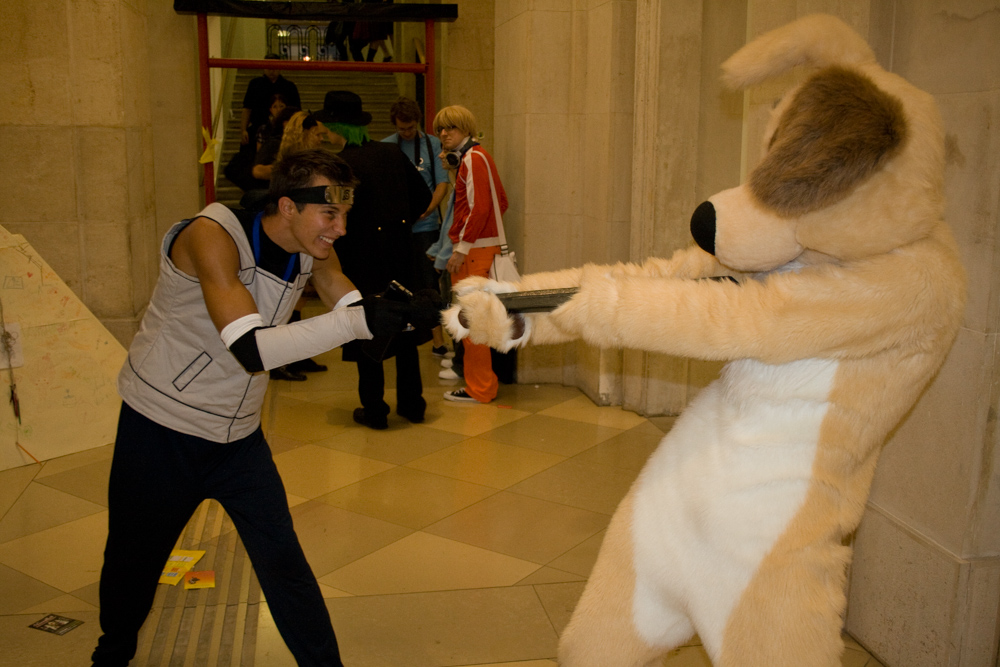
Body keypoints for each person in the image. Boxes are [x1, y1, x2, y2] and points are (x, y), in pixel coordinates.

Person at [91, 149, 438, 667]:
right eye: (330, 214)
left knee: (284, 563)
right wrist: (356, 324)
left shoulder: (313, 247)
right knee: (132, 563)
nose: (340, 229)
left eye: (345, 214)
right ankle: (110, 657)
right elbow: (251, 349)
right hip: (162, 425)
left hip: (237, 438)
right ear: (288, 206)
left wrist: (401, 314)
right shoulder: (212, 236)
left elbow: (340, 294)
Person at [315, 90, 434, 429]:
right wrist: (398, 226)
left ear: (339, 127)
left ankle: (375, 409)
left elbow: (334, 215)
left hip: (360, 260)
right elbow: (423, 196)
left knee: (368, 331)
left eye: (326, 125)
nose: (323, 132)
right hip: (400, 255)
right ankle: (413, 405)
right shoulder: (392, 153)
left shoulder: (341, 167)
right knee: (406, 329)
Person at [433, 105, 508, 404]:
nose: (443, 133)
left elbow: (480, 208)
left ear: (465, 128)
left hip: (473, 251)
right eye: (441, 128)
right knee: (476, 319)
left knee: (472, 321)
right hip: (480, 248)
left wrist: (462, 248)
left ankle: (480, 388)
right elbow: (499, 202)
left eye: (450, 127)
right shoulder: (477, 157)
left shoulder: (473, 159)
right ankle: (481, 385)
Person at [382, 97, 450, 357]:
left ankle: (437, 341)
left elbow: (442, 183)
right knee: (398, 284)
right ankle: (397, 336)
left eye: (411, 128)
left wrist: (428, 208)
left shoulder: (433, 145)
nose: (407, 133)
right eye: (402, 129)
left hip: (427, 228)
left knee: (429, 284)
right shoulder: (388, 147)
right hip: (399, 229)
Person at [240, 54, 301, 150]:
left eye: (275, 67)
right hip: (257, 127)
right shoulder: (255, 85)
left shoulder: (289, 87)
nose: (272, 70)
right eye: (269, 67)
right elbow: (247, 108)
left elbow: (297, 112)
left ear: (280, 67)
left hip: (283, 131)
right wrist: (243, 130)